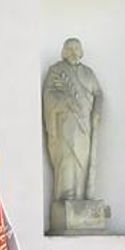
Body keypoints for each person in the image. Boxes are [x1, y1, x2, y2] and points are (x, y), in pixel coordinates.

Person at [43, 38, 103, 202]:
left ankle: (81, 196)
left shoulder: (88, 73)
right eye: (69, 48)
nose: (73, 52)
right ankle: (66, 196)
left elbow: (98, 94)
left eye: (76, 48)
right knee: (67, 158)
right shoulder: (56, 71)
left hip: (84, 126)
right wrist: (64, 102)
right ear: (64, 51)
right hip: (64, 124)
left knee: (82, 160)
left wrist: (97, 111)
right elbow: (48, 96)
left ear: (81, 51)